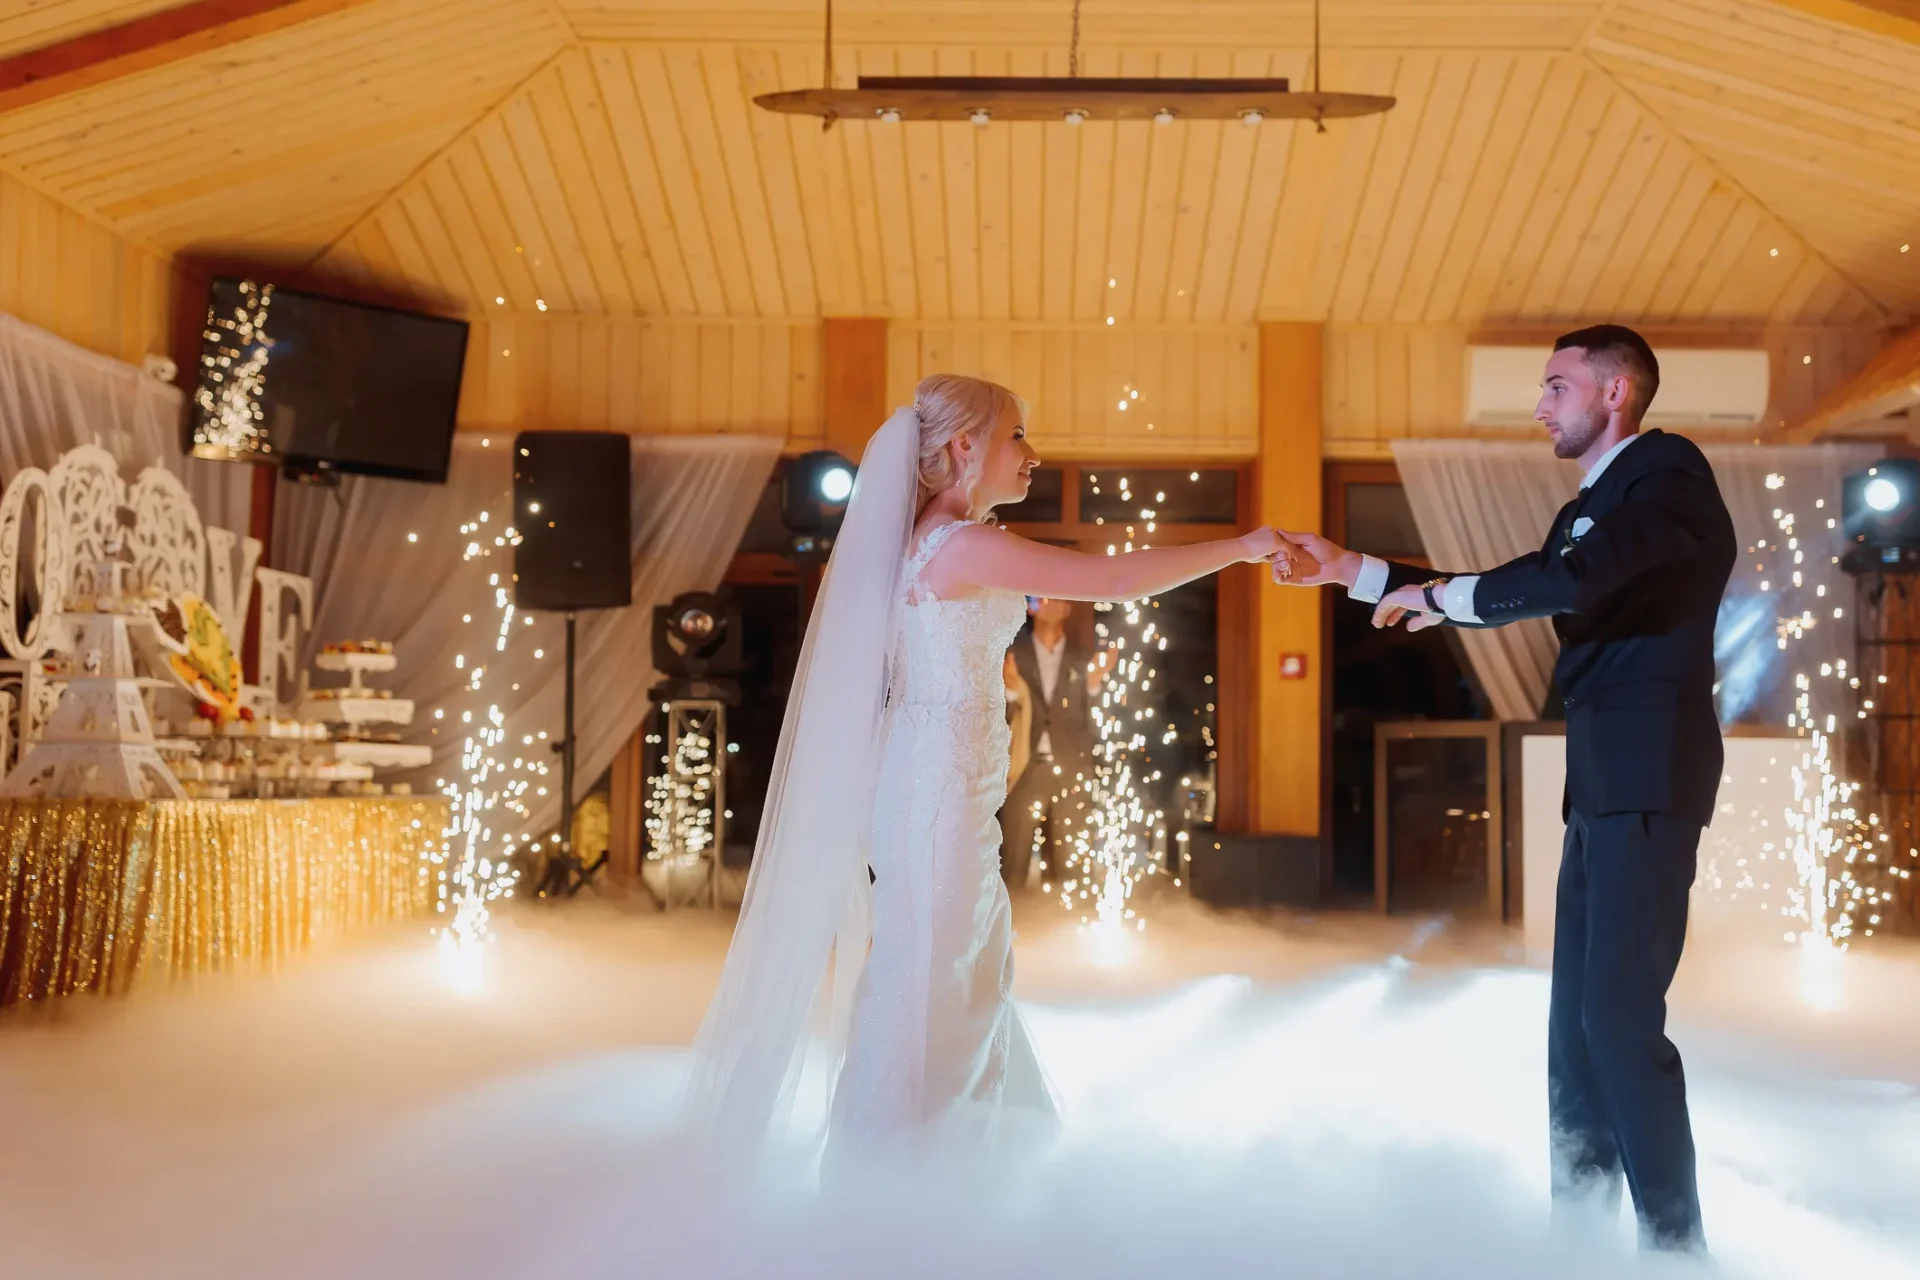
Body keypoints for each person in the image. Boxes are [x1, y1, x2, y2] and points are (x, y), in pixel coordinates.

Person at [682, 373, 1305, 1168]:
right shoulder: (962, 545)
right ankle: (902, 1183)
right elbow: (1111, 580)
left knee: (953, 968)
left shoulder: (926, 546)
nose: (1033, 456)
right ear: (963, 447)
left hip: (937, 787)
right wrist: (1244, 546)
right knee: (933, 982)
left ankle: (962, 1162)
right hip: (937, 793)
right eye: (1018, 436)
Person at [1277, 325, 1733, 1255]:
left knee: (1618, 1020)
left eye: (1556, 385)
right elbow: (1524, 579)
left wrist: (1443, 599)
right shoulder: (1588, 511)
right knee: (1573, 1034)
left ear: (1615, 394)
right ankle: (1579, 1242)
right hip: (1599, 788)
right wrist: (1352, 571)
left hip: (1650, 778)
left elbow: (1565, 582)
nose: (1538, 404)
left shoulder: (1669, 474)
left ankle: (1678, 1254)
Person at [999, 597, 1105, 889]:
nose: (1054, 603)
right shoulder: (1011, 656)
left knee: (1072, 864)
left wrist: (1095, 685)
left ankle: (1065, 928)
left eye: (1060, 598)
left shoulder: (1084, 659)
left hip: (1071, 767)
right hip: (1023, 767)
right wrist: (1009, 693)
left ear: (1069, 608)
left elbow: (1096, 721)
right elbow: (995, 716)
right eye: (1045, 598)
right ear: (1032, 607)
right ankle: (1010, 928)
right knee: (1012, 862)